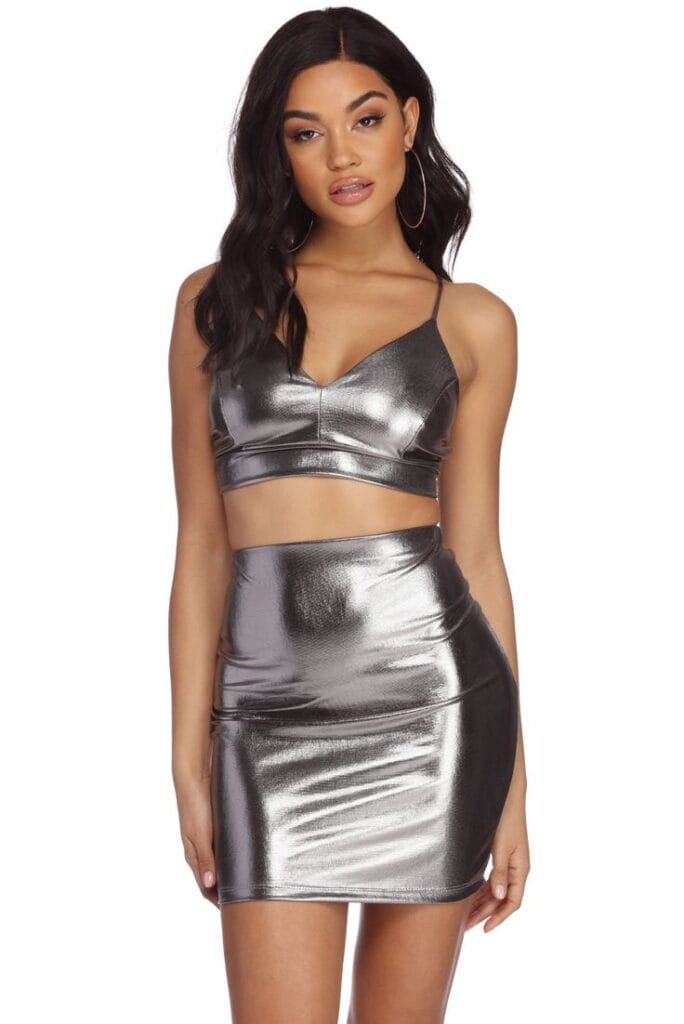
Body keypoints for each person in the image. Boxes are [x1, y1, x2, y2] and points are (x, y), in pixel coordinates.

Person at [168, 7, 529, 1022]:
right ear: (276, 148)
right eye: (306, 130)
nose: (341, 155)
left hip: (436, 715)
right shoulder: (213, 304)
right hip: (264, 724)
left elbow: (478, 556)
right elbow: (201, 547)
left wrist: (513, 788)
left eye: (365, 119)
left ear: (409, 121)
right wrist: (189, 756)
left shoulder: (474, 321)